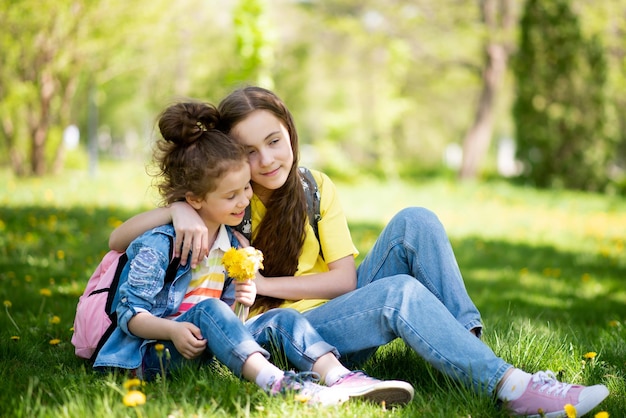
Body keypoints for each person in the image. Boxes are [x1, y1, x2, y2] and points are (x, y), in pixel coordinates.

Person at [109, 88, 609, 417]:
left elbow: (345, 281)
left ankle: (469, 353)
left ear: (290, 130)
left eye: (274, 141)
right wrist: (178, 211)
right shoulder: (228, 200)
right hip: (283, 338)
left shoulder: (314, 187)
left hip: (336, 312)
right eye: (248, 152)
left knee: (417, 220)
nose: (266, 161)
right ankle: (514, 389)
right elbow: (119, 241)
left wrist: (263, 284)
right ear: (229, 159)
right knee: (398, 294)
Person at [96, 100, 415, 407]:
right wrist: (173, 329)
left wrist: (243, 302)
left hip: (208, 351)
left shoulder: (235, 245)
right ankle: (281, 386)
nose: (244, 201)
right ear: (194, 199)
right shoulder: (160, 244)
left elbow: (231, 321)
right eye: (231, 195)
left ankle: (341, 378)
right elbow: (128, 313)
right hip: (155, 352)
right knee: (208, 309)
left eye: (245, 189)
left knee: (283, 317)